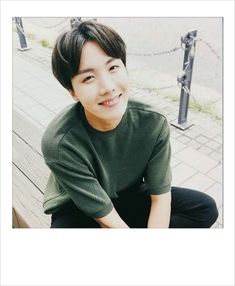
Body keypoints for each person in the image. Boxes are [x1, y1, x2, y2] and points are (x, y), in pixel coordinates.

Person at [41, 20, 218, 228]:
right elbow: (102, 214)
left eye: (113, 67)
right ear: (72, 91)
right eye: (88, 78)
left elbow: (160, 197)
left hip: (129, 194)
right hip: (80, 207)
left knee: (204, 208)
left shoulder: (153, 123)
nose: (108, 87)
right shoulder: (60, 143)